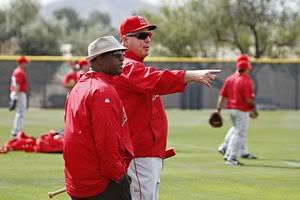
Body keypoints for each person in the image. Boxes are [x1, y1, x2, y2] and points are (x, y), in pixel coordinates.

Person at [114, 15, 221, 200]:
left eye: (149, 35)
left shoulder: (137, 67)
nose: (147, 39)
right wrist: (190, 75)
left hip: (148, 152)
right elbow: (156, 79)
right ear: (124, 40)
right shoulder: (126, 67)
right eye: (141, 36)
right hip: (138, 153)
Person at [63, 36, 134, 200]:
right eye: (117, 54)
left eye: (123, 53)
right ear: (100, 59)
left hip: (79, 182)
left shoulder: (78, 87)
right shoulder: (102, 91)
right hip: (102, 184)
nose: (122, 57)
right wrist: (119, 176)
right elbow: (107, 142)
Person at [216, 57, 258, 165]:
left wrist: (218, 109)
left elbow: (222, 96)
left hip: (231, 110)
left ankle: (226, 150)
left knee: (236, 130)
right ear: (247, 69)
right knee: (240, 133)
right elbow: (249, 100)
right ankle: (231, 157)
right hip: (241, 110)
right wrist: (254, 108)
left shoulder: (229, 79)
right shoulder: (246, 80)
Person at [10, 56, 30, 138]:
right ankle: (16, 131)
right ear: (22, 63)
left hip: (18, 93)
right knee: (20, 112)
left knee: (20, 112)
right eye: (25, 62)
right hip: (19, 93)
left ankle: (18, 130)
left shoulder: (17, 71)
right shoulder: (19, 72)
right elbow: (17, 85)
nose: (26, 64)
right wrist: (15, 96)